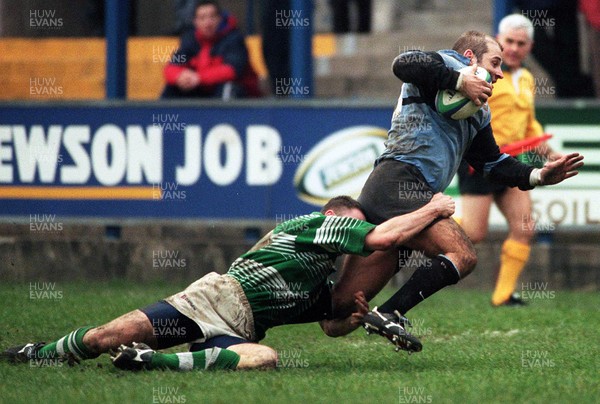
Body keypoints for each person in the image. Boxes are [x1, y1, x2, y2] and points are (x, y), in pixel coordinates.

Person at [3, 194, 456, 371]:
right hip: (213, 299)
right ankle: (38, 355)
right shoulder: (315, 224)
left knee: (266, 358)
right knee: (108, 335)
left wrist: (358, 315)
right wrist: (434, 208)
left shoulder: (317, 279)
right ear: (334, 217)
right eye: (351, 227)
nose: (352, 239)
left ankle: (150, 363)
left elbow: (333, 325)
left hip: (237, 329)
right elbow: (385, 237)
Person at [330, 30, 584, 321]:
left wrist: (538, 175)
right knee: (463, 253)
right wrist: (460, 80)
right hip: (397, 182)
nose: (499, 73)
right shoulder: (442, 65)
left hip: (409, 191)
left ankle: (289, 307)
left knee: (339, 314)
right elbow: (403, 63)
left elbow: (493, 162)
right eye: (495, 63)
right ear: (469, 58)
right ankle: (389, 313)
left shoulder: (479, 111)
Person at [456, 15, 562, 307]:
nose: (514, 48)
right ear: (498, 41)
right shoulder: (479, 74)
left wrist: (550, 153)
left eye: (521, 43)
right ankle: (425, 225)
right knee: (474, 234)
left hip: (510, 163)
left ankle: (503, 296)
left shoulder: (527, 78)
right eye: (509, 42)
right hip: (481, 160)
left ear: (530, 46)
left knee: (525, 227)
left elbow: (529, 125)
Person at [161, 0, 260, 99]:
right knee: (173, 87)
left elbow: (232, 71)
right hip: (203, 90)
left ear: (220, 19)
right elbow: (171, 67)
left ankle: (224, 115)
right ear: (195, 21)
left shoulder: (234, 39)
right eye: (202, 18)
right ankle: (159, 114)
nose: (207, 23)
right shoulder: (189, 40)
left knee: (228, 88)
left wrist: (199, 78)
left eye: (212, 17)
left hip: (240, 95)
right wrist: (180, 76)